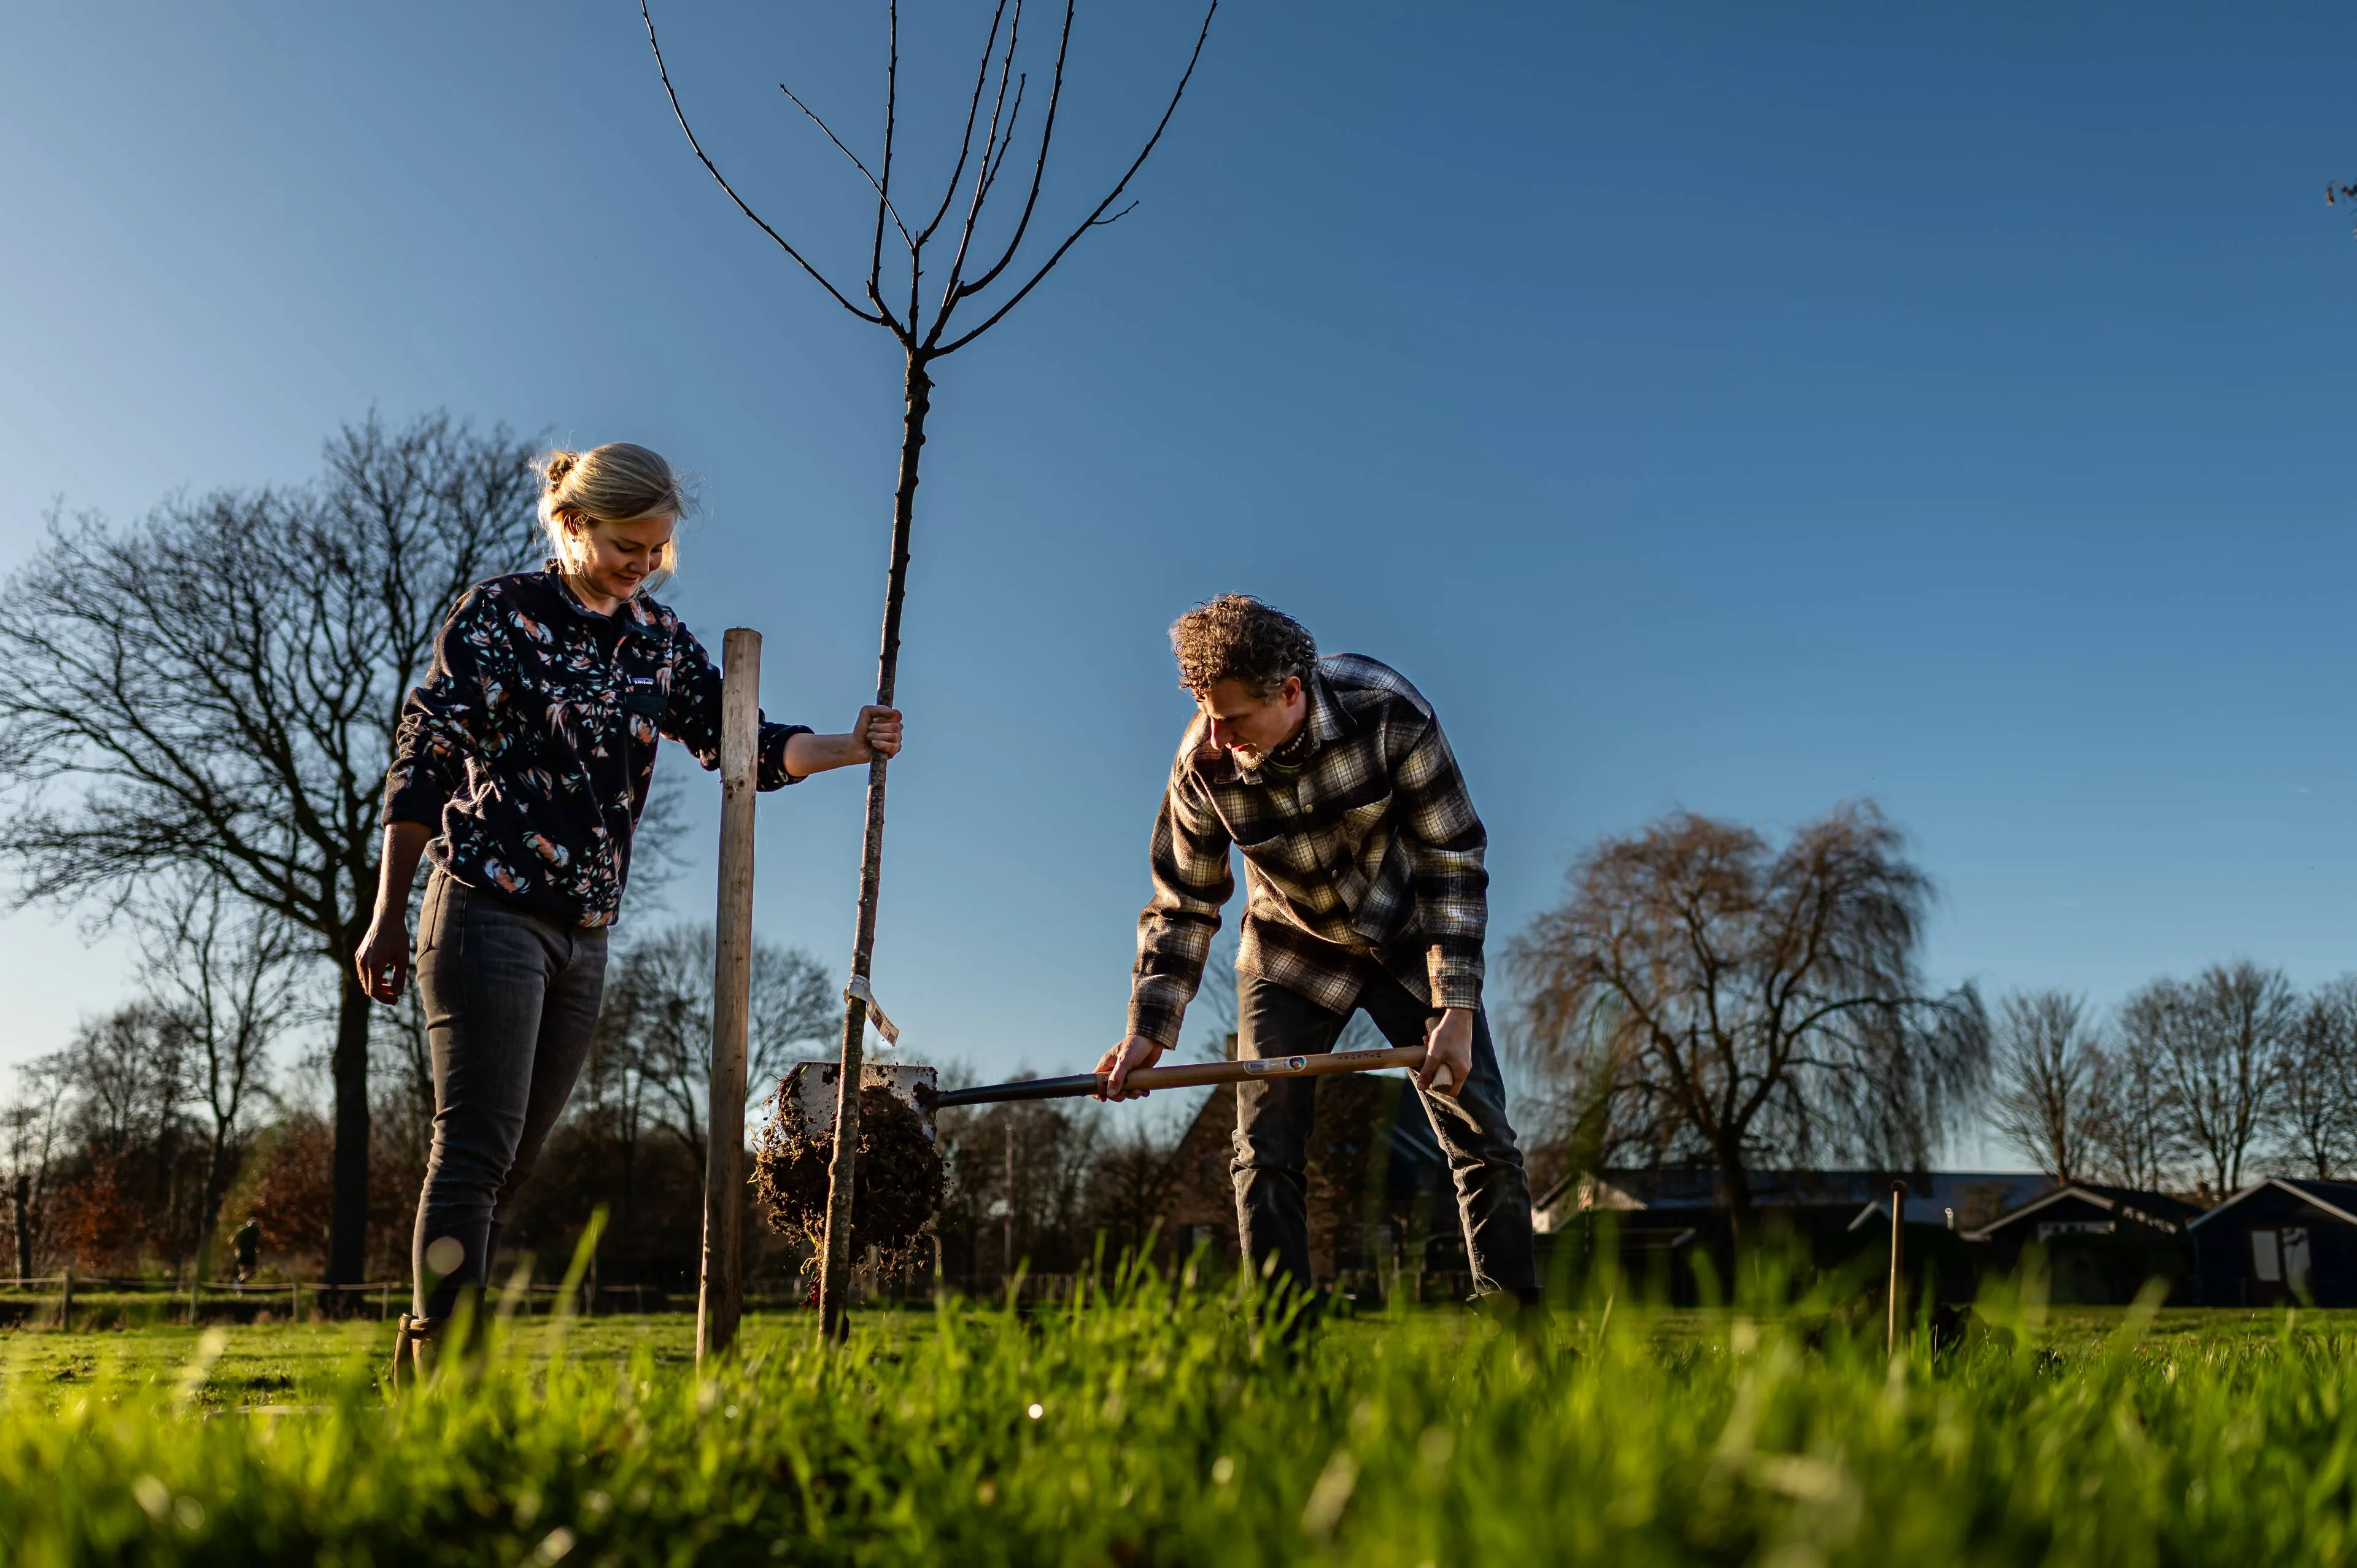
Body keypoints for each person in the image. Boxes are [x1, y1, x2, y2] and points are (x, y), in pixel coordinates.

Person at [358, 442, 902, 1380]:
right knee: (476, 1149)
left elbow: (744, 745)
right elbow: (426, 756)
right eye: (626, 545)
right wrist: (387, 912)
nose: (642, 563)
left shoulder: (657, 639)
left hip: (588, 932)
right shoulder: (501, 616)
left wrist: (850, 746)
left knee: (512, 1160)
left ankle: (426, 1356)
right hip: (487, 908)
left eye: (657, 549)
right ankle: (448, 1372)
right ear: (570, 524)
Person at [1096, 595, 1537, 1309]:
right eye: (1208, 711)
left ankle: (1517, 1336)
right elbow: (1185, 900)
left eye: (1234, 717)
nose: (1217, 732)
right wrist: (1148, 1030)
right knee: (1262, 1151)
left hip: (1404, 938)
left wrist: (1453, 1006)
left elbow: (1451, 857)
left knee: (1480, 1132)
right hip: (1289, 952)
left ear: (1291, 691)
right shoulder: (1201, 763)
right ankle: (1280, 1354)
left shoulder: (1387, 713)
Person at [231, 1216, 261, 1287]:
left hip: (242, 1254)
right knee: (251, 1272)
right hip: (251, 1255)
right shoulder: (256, 1231)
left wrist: (236, 1250)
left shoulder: (241, 1230)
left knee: (244, 1272)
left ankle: (239, 1286)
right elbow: (259, 1241)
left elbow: (231, 1241)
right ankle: (239, 1282)